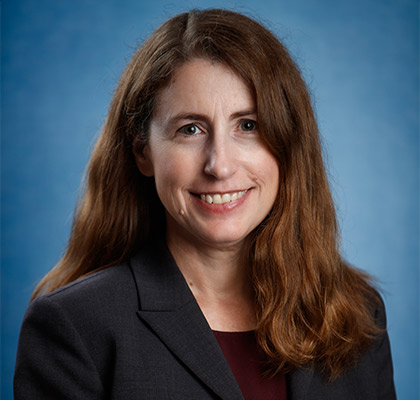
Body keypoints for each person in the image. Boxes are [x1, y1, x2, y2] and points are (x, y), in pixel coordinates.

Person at [14, 8, 396, 400]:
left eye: (248, 125)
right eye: (190, 129)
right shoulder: (76, 327)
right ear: (142, 152)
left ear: (289, 145)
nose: (220, 165)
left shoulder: (358, 315)